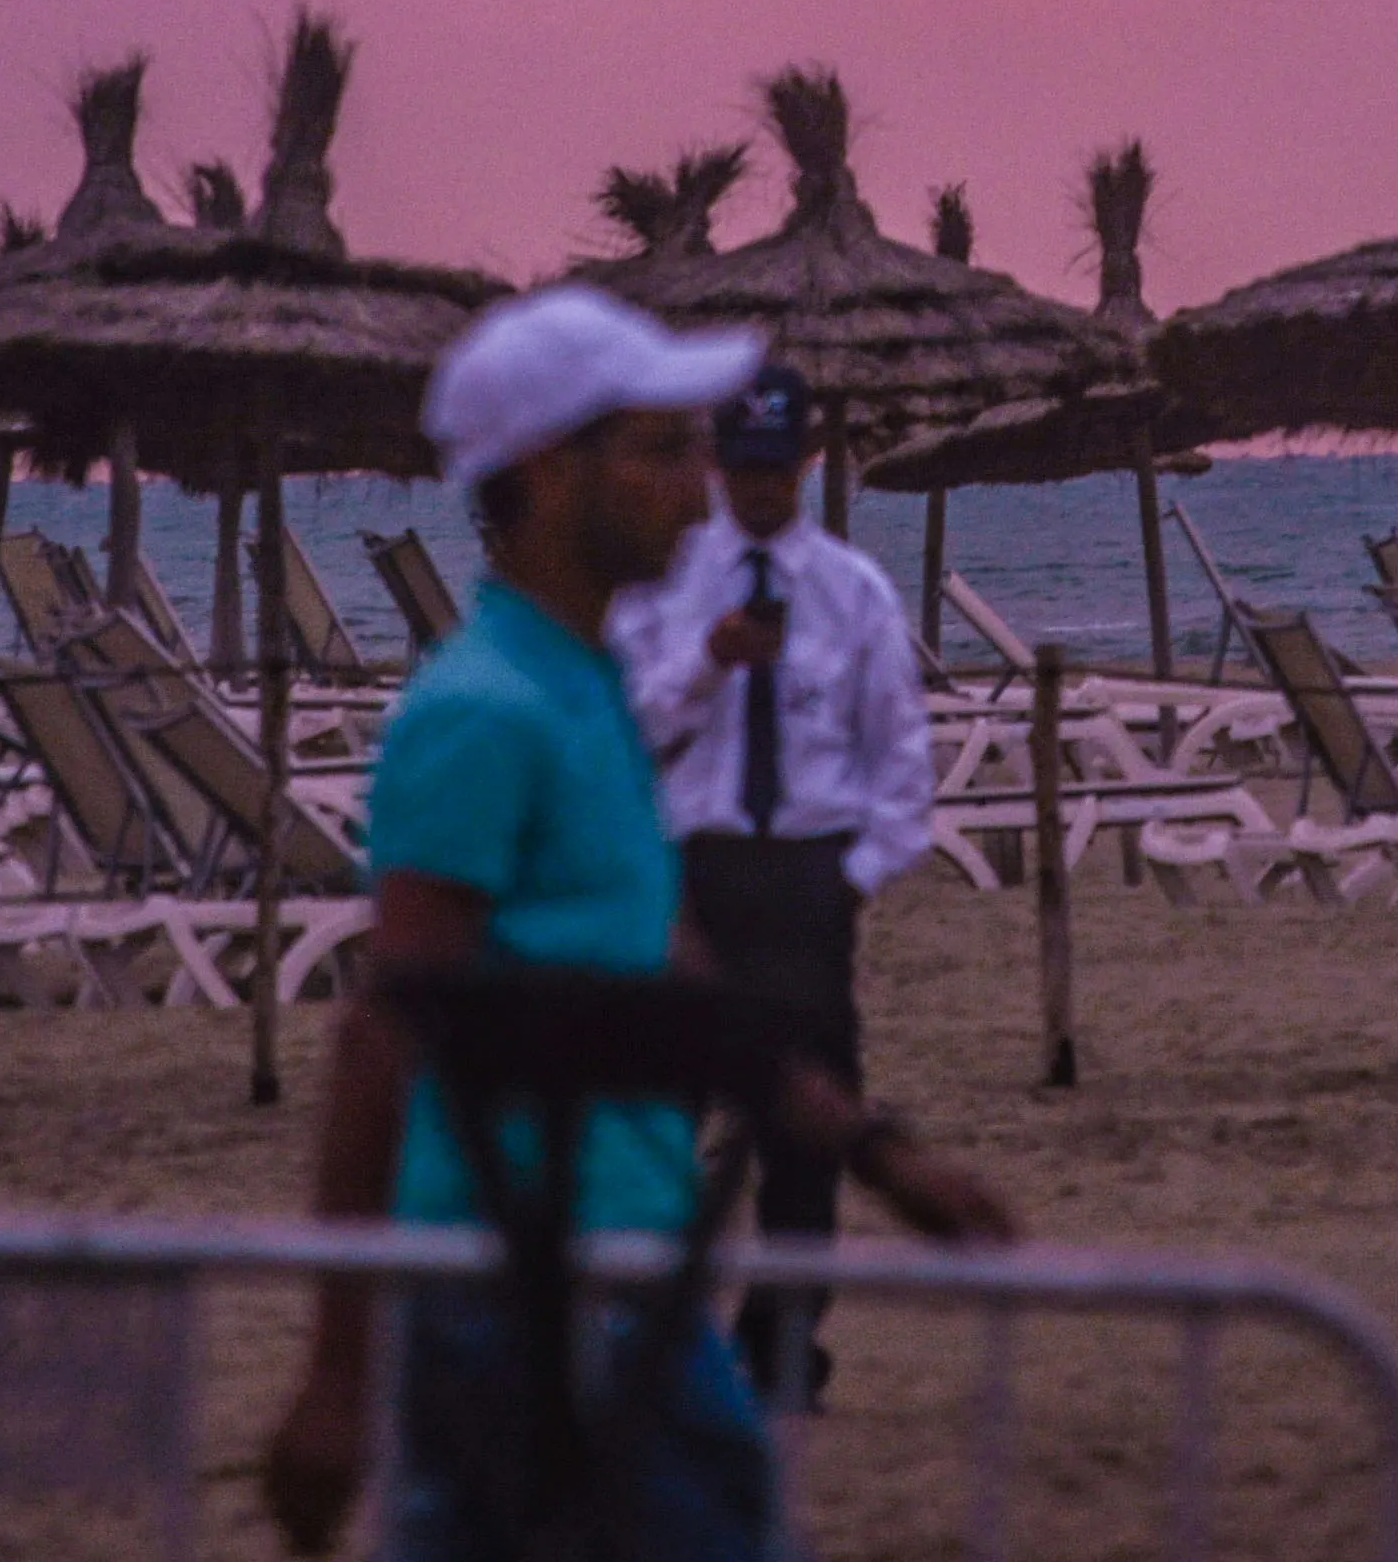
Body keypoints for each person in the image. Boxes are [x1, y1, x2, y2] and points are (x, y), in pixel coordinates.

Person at [263, 288, 1006, 1562]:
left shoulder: (584, 685)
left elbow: (669, 971)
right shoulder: (484, 710)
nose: (701, 483)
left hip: (620, 1272)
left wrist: (877, 1151)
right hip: (517, 1284)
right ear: (552, 471)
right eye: (664, 450)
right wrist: (336, 1373)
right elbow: (386, 1029)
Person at [609, 364, 935, 1406]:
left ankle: (785, 1346)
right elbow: (627, 731)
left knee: (807, 1133)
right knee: (664, 1121)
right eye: (738, 467)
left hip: (805, 876)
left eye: (773, 467)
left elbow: (900, 760)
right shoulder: (666, 586)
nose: (755, 489)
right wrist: (708, 663)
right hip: (695, 872)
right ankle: (656, 1338)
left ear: (804, 459)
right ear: (714, 462)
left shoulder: (852, 590)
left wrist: (854, 876)